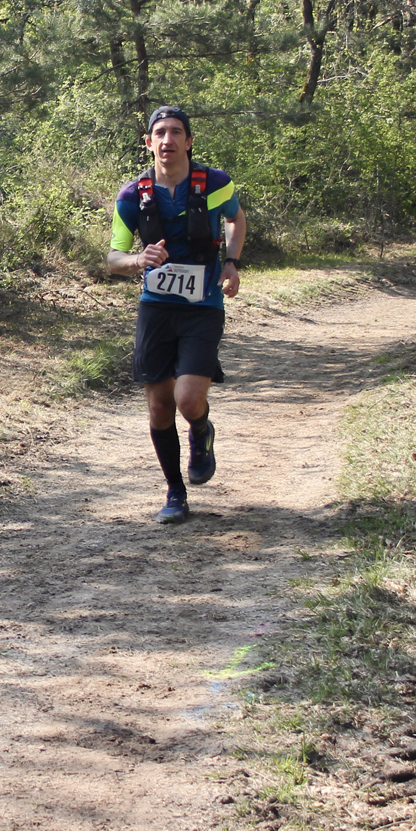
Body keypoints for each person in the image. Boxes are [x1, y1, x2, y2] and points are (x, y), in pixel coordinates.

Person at [106, 105, 247, 524]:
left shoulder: (215, 183)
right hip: (156, 308)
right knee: (159, 405)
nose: (167, 140)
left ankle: (201, 429)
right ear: (148, 143)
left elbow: (236, 219)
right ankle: (175, 492)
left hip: (203, 305)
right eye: (160, 133)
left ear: (188, 141)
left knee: (188, 399)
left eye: (175, 132)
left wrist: (232, 262)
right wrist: (137, 260)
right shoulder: (131, 196)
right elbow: (113, 257)